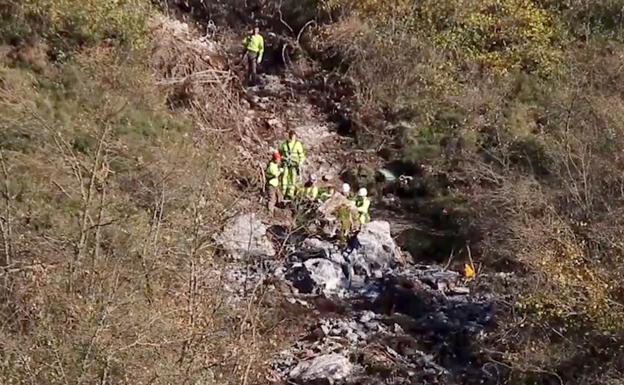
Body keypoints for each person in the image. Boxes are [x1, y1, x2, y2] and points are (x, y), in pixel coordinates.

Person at [279, 130, 305, 199]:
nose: (292, 137)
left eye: (293, 136)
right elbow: (280, 153)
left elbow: (301, 156)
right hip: (286, 163)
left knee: (293, 177)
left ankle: (290, 193)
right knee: (284, 176)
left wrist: (300, 163)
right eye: (291, 136)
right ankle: (283, 191)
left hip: (294, 164)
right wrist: (281, 159)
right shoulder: (284, 144)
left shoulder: (298, 144)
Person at [265, 151, 283, 215]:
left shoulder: (275, 165)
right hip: (271, 184)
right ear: (275, 159)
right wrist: (280, 171)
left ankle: (278, 211)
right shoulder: (271, 166)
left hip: (275, 184)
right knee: (272, 198)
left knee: (279, 197)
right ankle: (269, 213)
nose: (279, 161)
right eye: (278, 159)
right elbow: (275, 175)